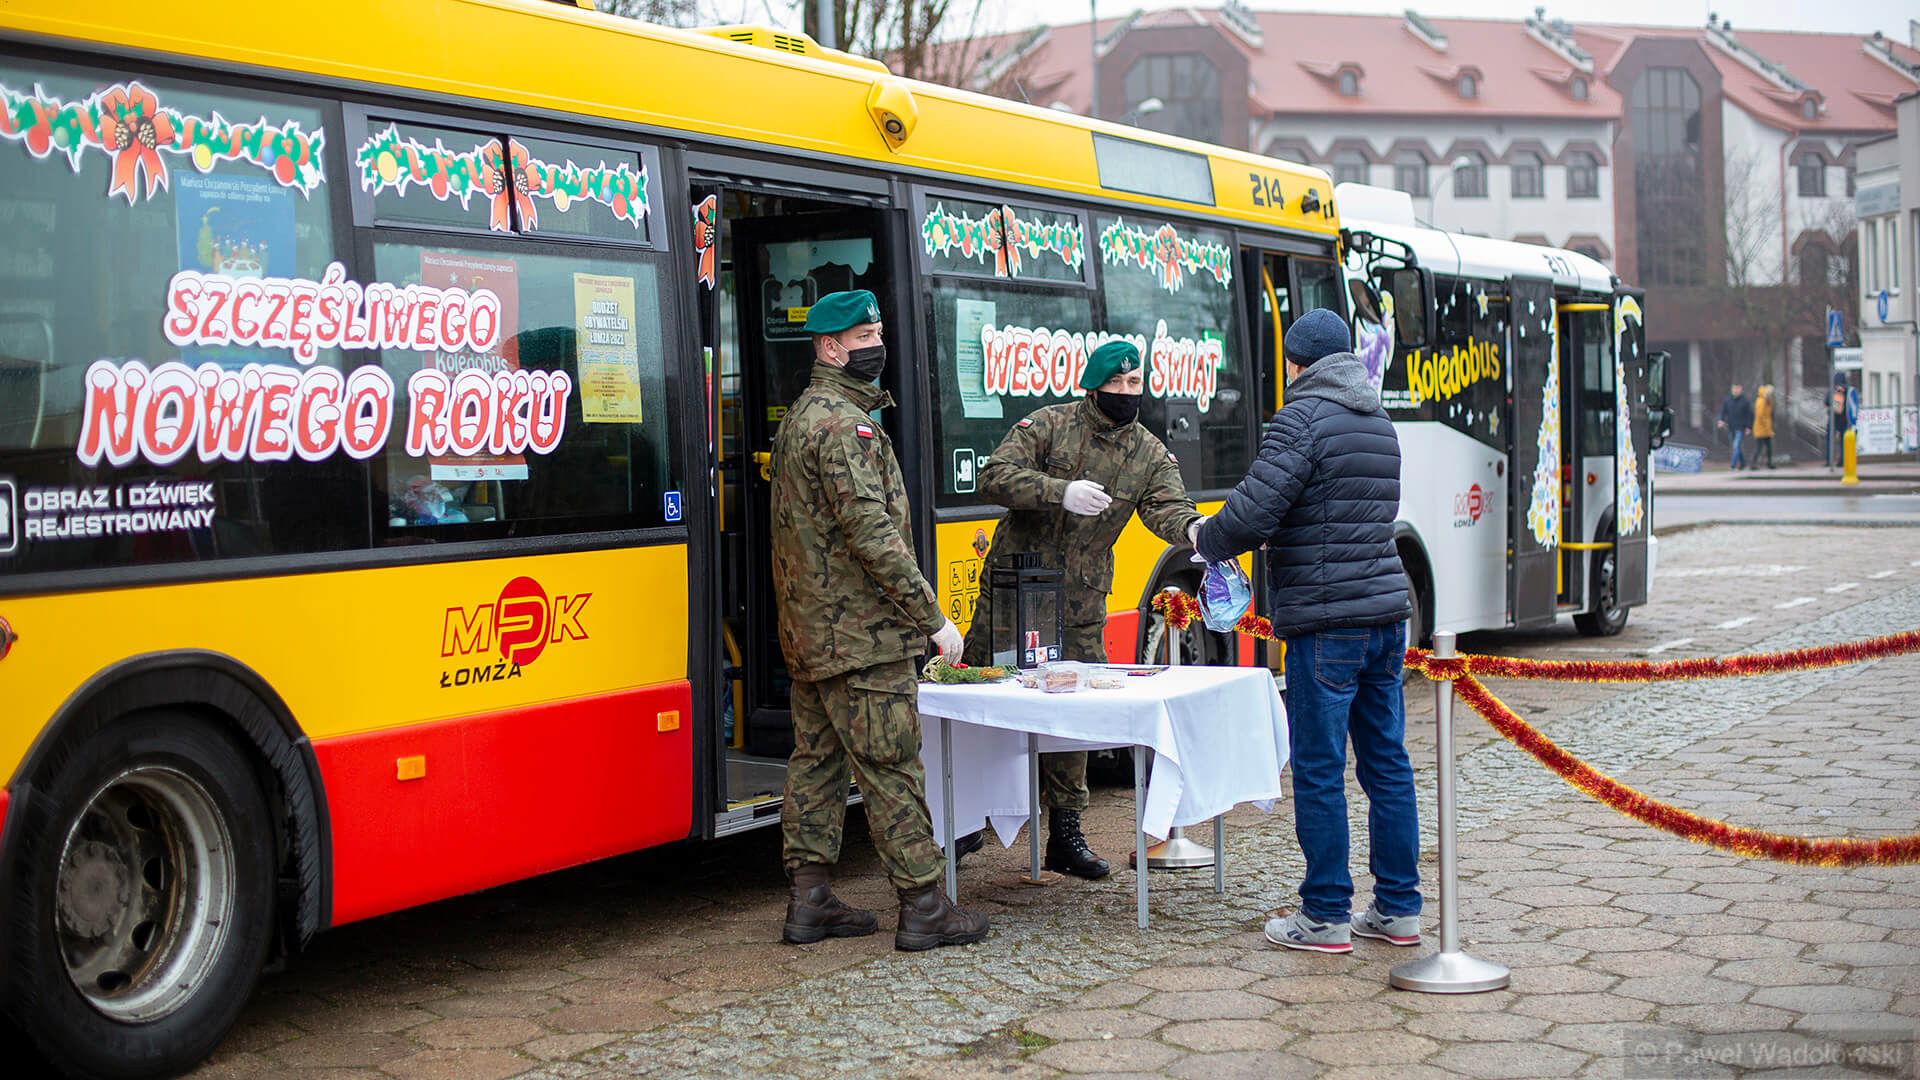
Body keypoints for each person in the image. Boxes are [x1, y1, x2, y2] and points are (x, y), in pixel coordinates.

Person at [769, 289, 989, 952]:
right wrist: (933, 619)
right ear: (830, 347)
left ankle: (809, 902)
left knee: (817, 763)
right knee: (892, 766)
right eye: (863, 335)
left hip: (813, 634)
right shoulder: (845, 426)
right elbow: (872, 533)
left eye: (877, 331)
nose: (876, 344)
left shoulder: (805, 417)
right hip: (860, 638)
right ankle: (924, 905)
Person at [1193, 308, 1419, 955]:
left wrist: (1206, 540)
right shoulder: (1379, 421)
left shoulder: (1302, 418)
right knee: (1386, 764)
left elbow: (1257, 509)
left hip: (1326, 625)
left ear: (1297, 364)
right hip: (1384, 617)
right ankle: (1400, 909)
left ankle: (1324, 915)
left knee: (1320, 769)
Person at [959, 340, 1204, 879]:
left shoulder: (1147, 451)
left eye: (1134, 384)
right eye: (1115, 385)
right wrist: (1058, 490)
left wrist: (1192, 529)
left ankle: (1065, 832)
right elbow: (995, 475)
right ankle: (965, 817)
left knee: (1075, 717)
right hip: (1015, 593)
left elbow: (1166, 505)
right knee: (982, 699)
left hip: (1081, 602)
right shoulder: (1050, 424)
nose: (1125, 394)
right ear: (1094, 385)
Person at [1717, 383, 1753, 470]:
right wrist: (1721, 420)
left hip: (1741, 427)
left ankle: (1733, 465)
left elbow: (1749, 415)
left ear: (1741, 389)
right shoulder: (1728, 400)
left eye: (1737, 389)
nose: (1735, 391)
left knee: (1736, 446)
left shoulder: (1745, 401)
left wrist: (1749, 427)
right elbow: (1723, 411)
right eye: (1734, 389)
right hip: (1731, 427)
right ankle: (1743, 463)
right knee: (1737, 447)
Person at [1752, 384, 1775, 469]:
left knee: (1768, 447)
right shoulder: (1762, 401)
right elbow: (1761, 415)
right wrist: (1767, 427)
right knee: (1759, 447)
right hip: (1761, 428)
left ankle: (1769, 463)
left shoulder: (1766, 400)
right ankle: (1754, 464)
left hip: (1765, 428)